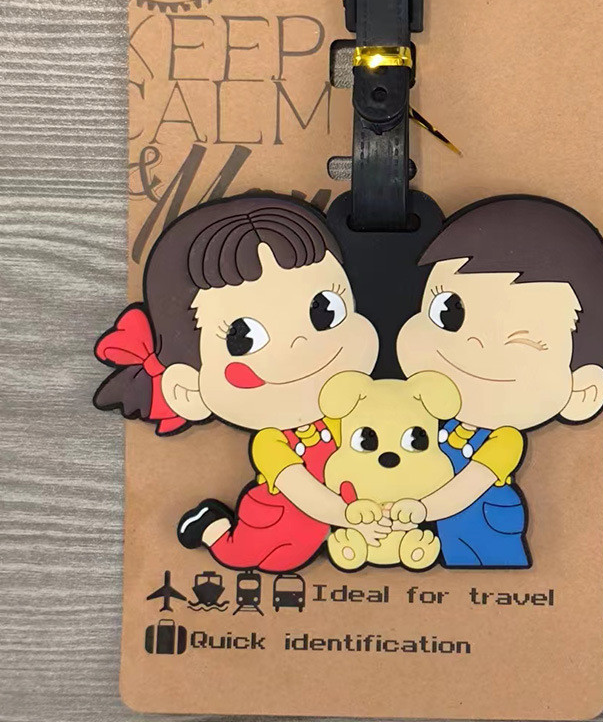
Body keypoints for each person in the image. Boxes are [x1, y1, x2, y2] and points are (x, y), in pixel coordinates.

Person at [94, 193, 386, 572]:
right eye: (243, 338)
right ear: (187, 388)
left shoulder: (351, 410)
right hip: (281, 516)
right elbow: (303, 492)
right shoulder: (272, 443)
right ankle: (212, 528)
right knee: (256, 554)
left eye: (325, 310)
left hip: (347, 513)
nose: (300, 343)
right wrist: (352, 517)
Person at [393, 196, 603, 567]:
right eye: (448, 313)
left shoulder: (503, 440)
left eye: (520, 342)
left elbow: (467, 487)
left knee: (476, 568)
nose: (474, 343)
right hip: (430, 518)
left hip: (484, 519)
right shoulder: (433, 415)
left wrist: (418, 509)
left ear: (582, 391)